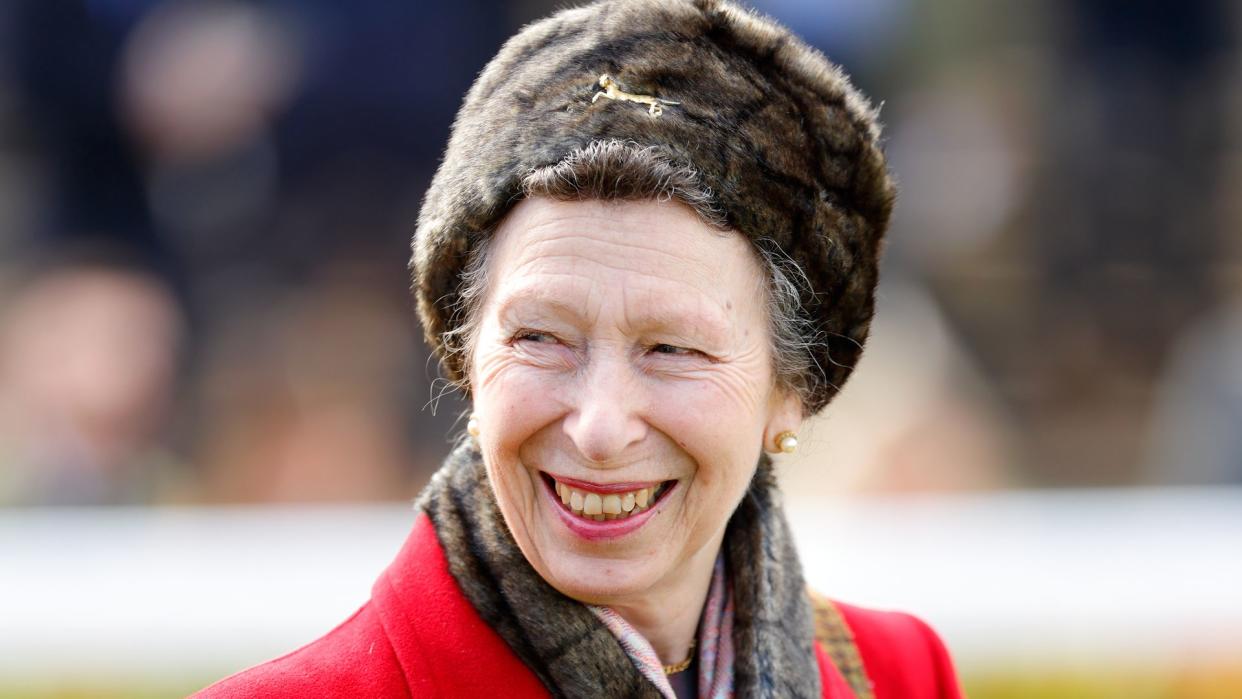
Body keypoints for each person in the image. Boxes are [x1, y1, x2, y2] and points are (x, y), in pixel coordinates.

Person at [194, 0, 962, 696]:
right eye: (541, 339)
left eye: (670, 348)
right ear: (467, 359)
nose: (598, 427)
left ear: (791, 386)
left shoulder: (897, 675)